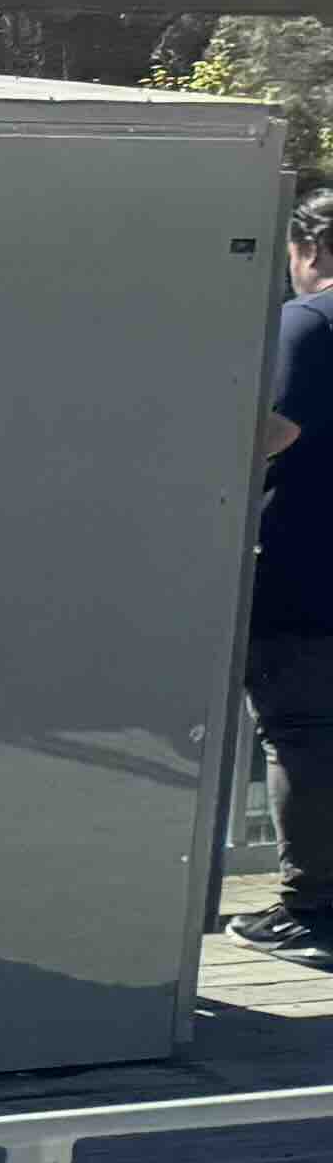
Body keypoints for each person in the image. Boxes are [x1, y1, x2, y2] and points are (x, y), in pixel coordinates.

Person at [250, 191, 333, 958]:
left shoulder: (308, 323)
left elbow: (270, 432)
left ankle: (311, 911)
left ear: (309, 250)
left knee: (301, 736)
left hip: (305, 569)